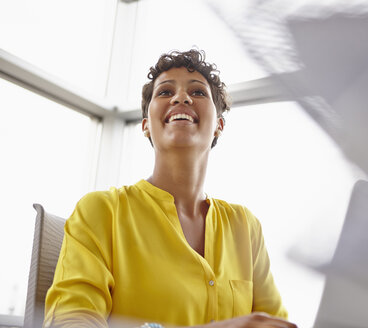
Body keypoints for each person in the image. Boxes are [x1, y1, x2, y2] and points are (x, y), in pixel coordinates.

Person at [44, 49, 297, 328]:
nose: (181, 97)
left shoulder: (245, 226)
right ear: (145, 126)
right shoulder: (102, 211)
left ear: (219, 126)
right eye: (165, 92)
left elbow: (276, 323)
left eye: (198, 92)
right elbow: (71, 322)